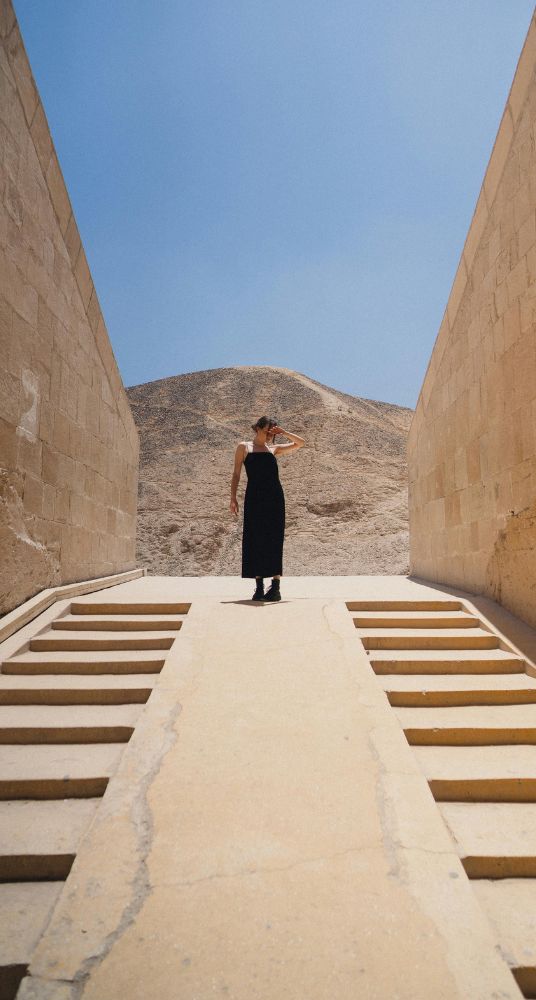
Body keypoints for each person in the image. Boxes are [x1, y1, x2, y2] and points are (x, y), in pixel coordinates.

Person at [230, 417, 305, 601]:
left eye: (272, 431)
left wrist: (283, 433)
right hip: (254, 498)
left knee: (274, 539)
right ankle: (259, 588)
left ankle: (276, 588)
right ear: (257, 428)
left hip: (274, 499)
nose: (270, 434)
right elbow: (236, 473)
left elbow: (301, 443)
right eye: (267, 430)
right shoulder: (244, 447)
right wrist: (232, 497)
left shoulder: (274, 449)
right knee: (255, 539)